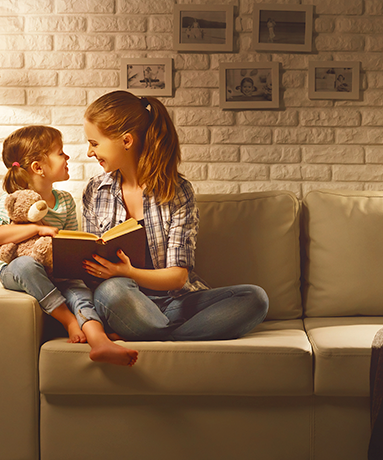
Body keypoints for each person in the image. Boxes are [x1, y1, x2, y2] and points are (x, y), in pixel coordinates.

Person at [77, 90, 269, 348]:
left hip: (174, 301)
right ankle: (171, 332)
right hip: (123, 301)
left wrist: (129, 271)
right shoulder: (95, 191)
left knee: (254, 298)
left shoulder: (177, 192)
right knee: (112, 290)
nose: (89, 152)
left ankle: (159, 335)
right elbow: (91, 269)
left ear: (126, 140)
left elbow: (178, 277)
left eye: (95, 143)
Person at [0, 125, 138, 367]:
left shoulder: (65, 201)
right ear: (38, 167)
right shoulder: (13, 198)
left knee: (79, 290)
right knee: (26, 264)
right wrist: (36, 229)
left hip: (56, 270)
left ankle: (99, 341)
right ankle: (68, 320)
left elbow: (70, 240)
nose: (67, 157)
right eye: (60, 152)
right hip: (18, 270)